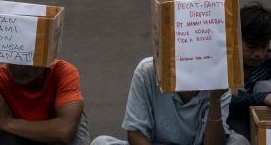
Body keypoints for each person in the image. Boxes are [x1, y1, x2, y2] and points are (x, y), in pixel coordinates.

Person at [90, 57, 248, 145]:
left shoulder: (218, 80)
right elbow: (135, 134)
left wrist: (215, 98)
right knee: (100, 143)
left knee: (239, 142)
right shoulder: (147, 71)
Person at [0, 58, 89, 145]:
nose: (20, 68)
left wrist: (6, 122)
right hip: (14, 139)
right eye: (14, 60)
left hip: (52, 139)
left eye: (28, 61)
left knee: (74, 115)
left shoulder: (63, 71)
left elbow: (65, 130)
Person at [227, 3, 271, 140]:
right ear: (236, 40)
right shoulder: (226, 62)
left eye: (264, 46)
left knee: (266, 87)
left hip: (262, 121)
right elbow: (225, 105)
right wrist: (261, 98)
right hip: (230, 123)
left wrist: (267, 97)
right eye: (251, 47)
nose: (259, 54)